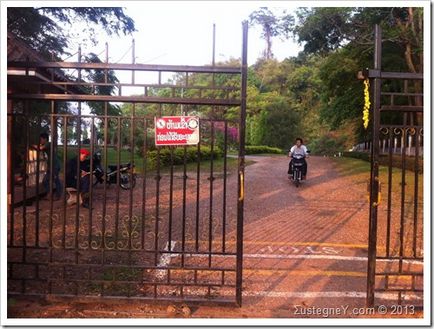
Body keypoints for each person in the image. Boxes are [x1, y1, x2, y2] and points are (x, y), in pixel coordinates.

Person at [34, 132, 62, 200]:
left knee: (56, 180)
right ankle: (50, 194)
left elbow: (40, 148)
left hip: (55, 165)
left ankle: (58, 195)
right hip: (51, 166)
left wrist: (33, 146)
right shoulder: (46, 144)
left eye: (41, 139)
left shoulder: (48, 144)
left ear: (45, 139)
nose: (40, 141)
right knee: (45, 181)